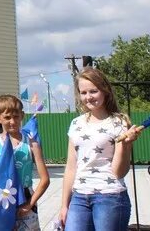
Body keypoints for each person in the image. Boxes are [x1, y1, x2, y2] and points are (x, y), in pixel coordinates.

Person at [60, 68, 143, 231]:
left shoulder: (119, 122)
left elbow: (119, 172)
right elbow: (71, 166)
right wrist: (64, 205)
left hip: (110, 197)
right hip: (79, 197)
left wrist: (126, 145)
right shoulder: (76, 123)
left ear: (105, 91)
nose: (88, 97)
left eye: (93, 91)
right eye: (83, 92)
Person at [0, 95, 49, 231]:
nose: (12, 121)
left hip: (25, 198)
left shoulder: (31, 144)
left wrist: (30, 204)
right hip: (1, 199)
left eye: (16, 116)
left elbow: (45, 179)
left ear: (22, 115)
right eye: (7, 117)